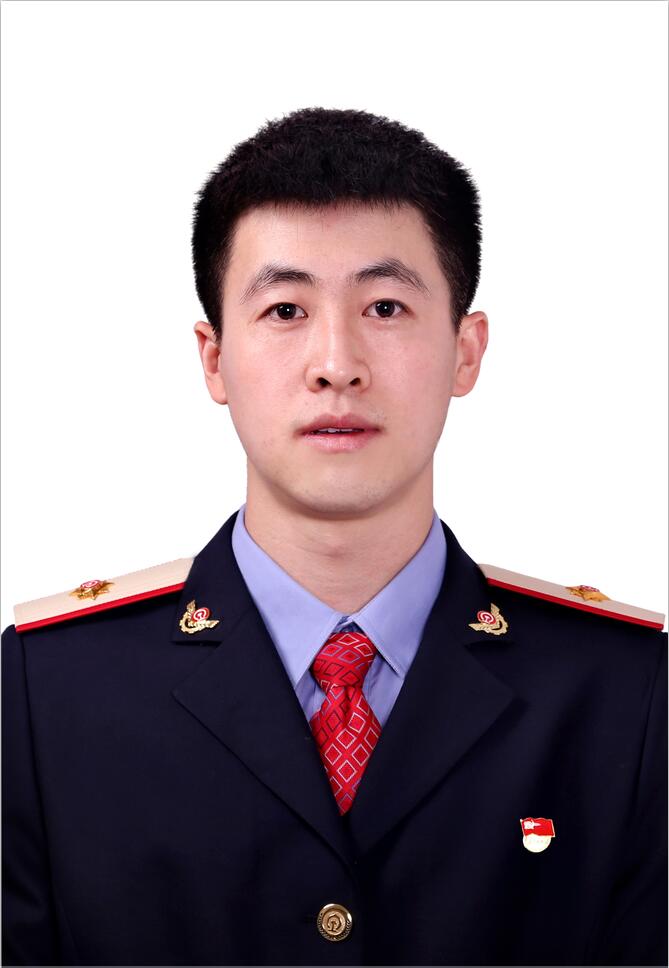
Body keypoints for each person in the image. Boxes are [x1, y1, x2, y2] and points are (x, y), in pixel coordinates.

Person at [2, 106, 666, 968]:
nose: (336, 364)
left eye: (385, 306)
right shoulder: (42, 692)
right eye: (284, 309)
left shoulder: (627, 694)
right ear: (213, 357)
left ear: (466, 350)